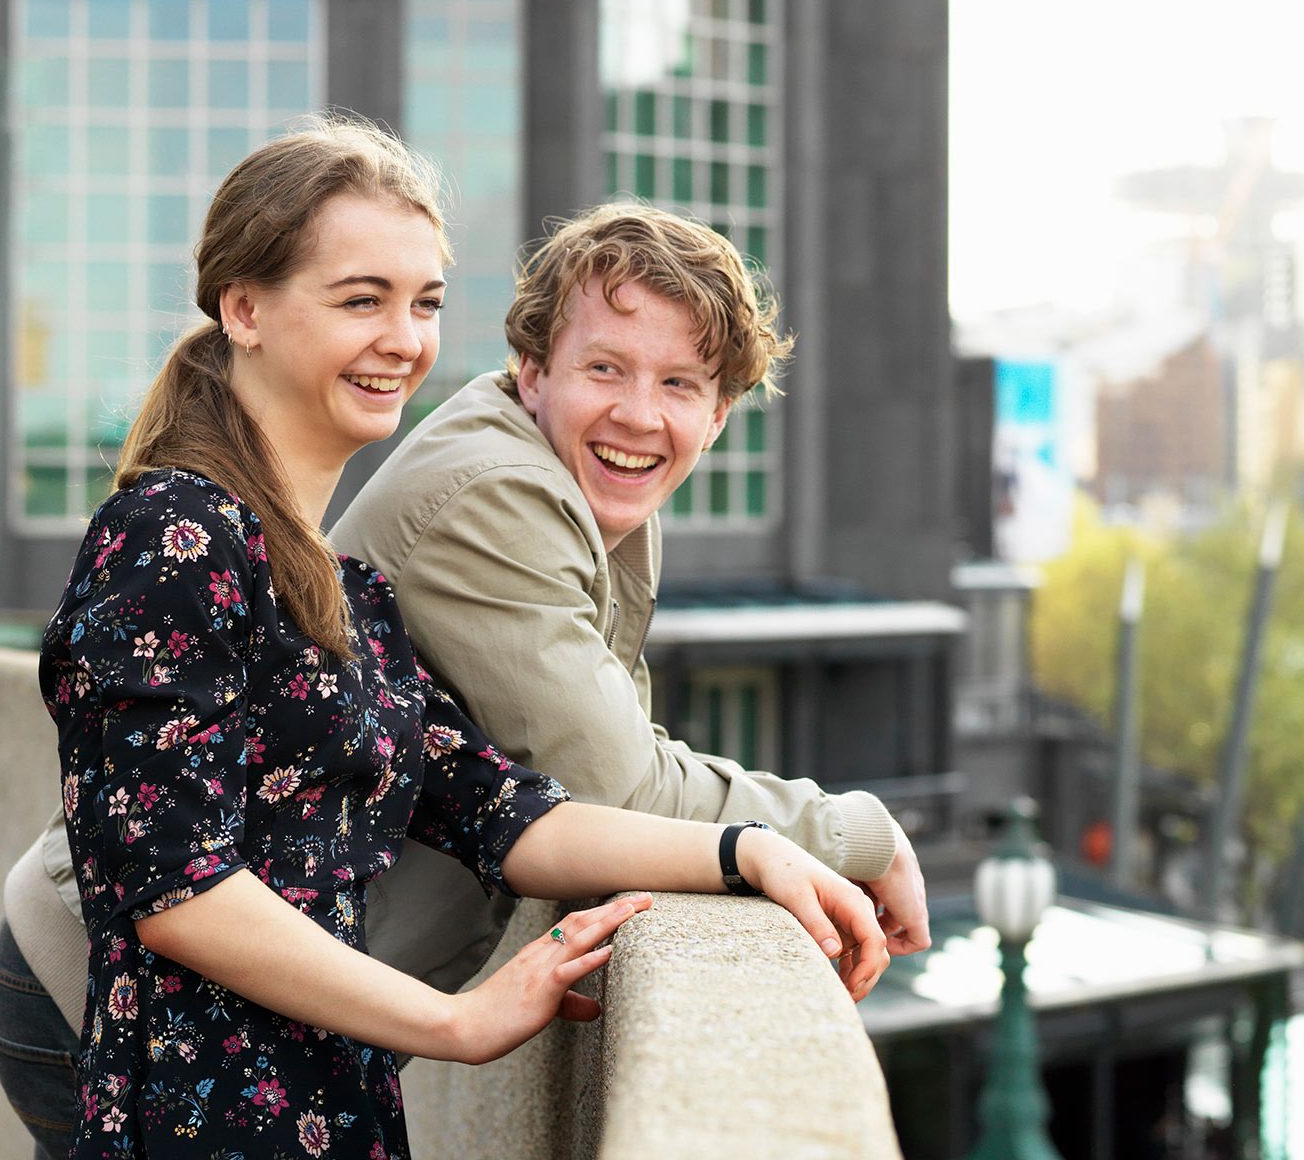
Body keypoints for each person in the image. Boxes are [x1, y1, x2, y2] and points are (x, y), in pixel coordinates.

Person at [0, 119, 887, 1160]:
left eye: (423, 304)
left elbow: (507, 811)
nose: (404, 339)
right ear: (244, 308)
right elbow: (174, 889)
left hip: (305, 1085)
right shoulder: (172, 538)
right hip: (164, 1075)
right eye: (360, 299)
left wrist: (751, 851)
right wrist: (457, 1025)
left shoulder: (340, 585)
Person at [330, 202, 931, 996]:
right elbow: (622, 788)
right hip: (241, 1032)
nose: (640, 416)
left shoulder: (587, 486)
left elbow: (618, 756)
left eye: (678, 384)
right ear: (534, 370)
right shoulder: (499, 495)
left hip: (326, 1010)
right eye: (606, 369)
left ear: (717, 418)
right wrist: (855, 833)